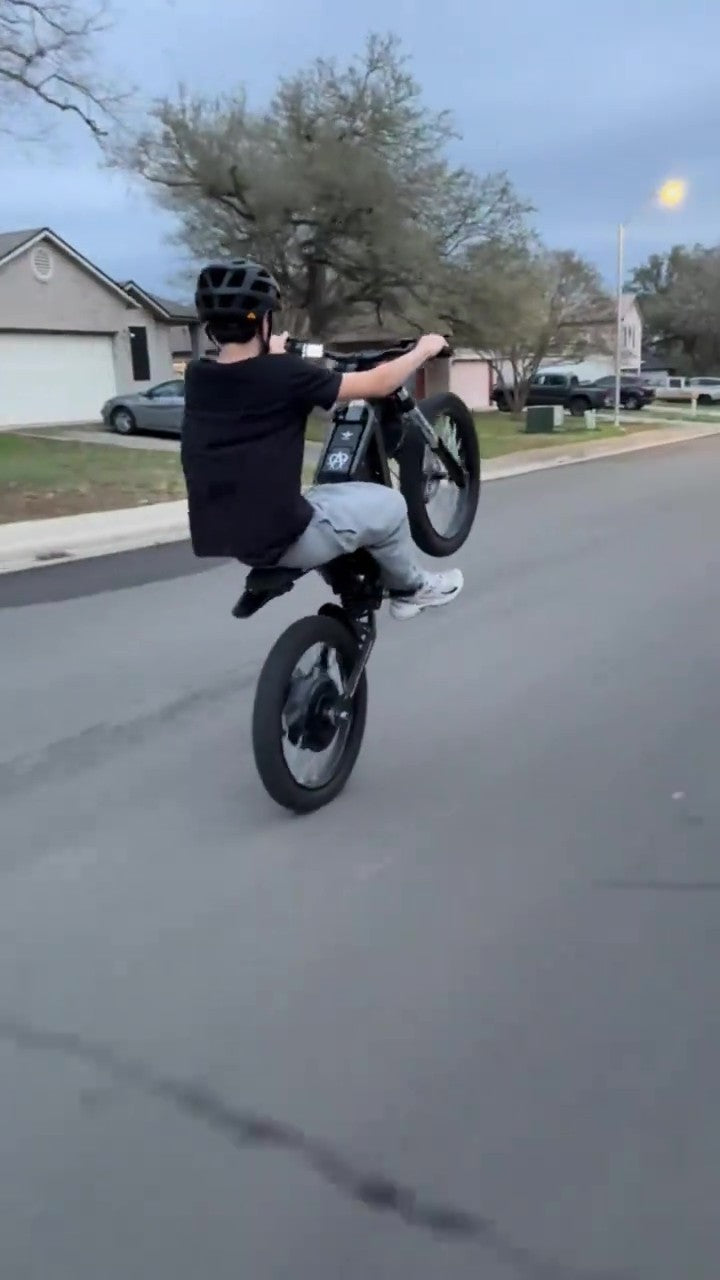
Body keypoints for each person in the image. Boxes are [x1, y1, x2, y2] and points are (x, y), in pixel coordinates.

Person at [181, 259, 464, 621]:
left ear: (210, 328)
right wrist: (423, 349)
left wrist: (275, 354)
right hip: (285, 538)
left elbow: (249, 377)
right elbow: (379, 384)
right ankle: (411, 590)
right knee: (391, 504)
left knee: (325, 496)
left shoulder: (198, 376)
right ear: (265, 321)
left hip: (232, 538)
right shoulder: (284, 374)